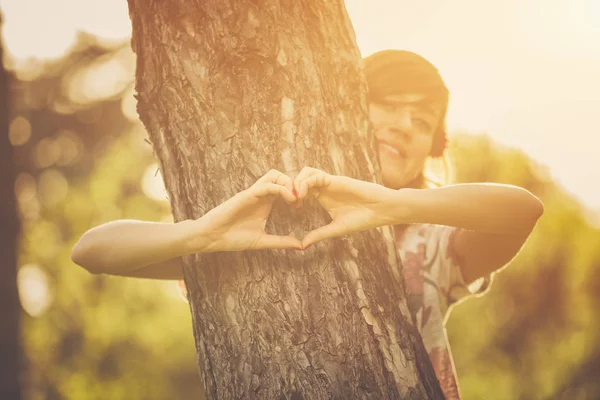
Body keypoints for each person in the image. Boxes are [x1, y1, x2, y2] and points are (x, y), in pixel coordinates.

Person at [71, 50, 543, 399]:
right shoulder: (257, 222)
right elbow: (90, 250)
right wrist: (203, 236)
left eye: (421, 121)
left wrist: (396, 205)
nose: (403, 125)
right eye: (389, 104)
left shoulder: (431, 240)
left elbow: (523, 211)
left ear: (431, 147)